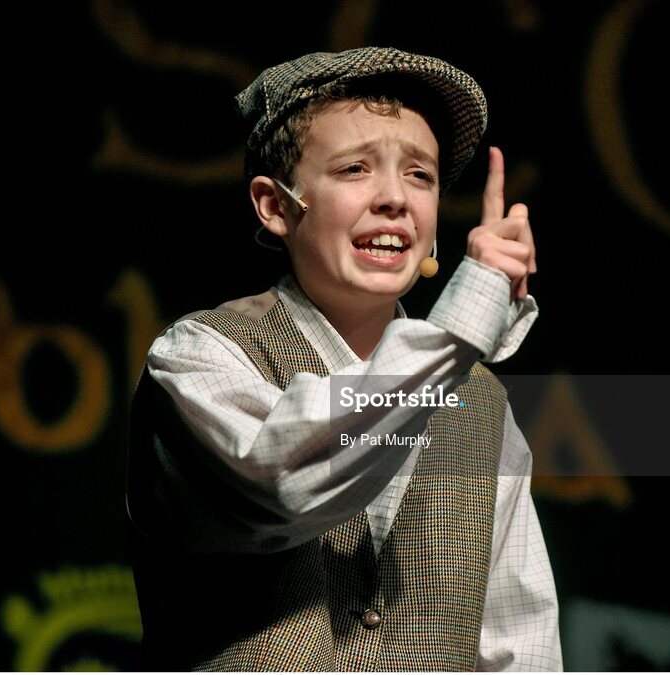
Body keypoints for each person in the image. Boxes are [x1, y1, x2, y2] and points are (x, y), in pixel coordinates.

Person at [126, 46, 562, 671]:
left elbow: (521, 643)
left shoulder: (482, 405)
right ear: (275, 205)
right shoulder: (200, 355)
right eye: (355, 168)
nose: (394, 199)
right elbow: (285, 479)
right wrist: (465, 319)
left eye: (421, 175)